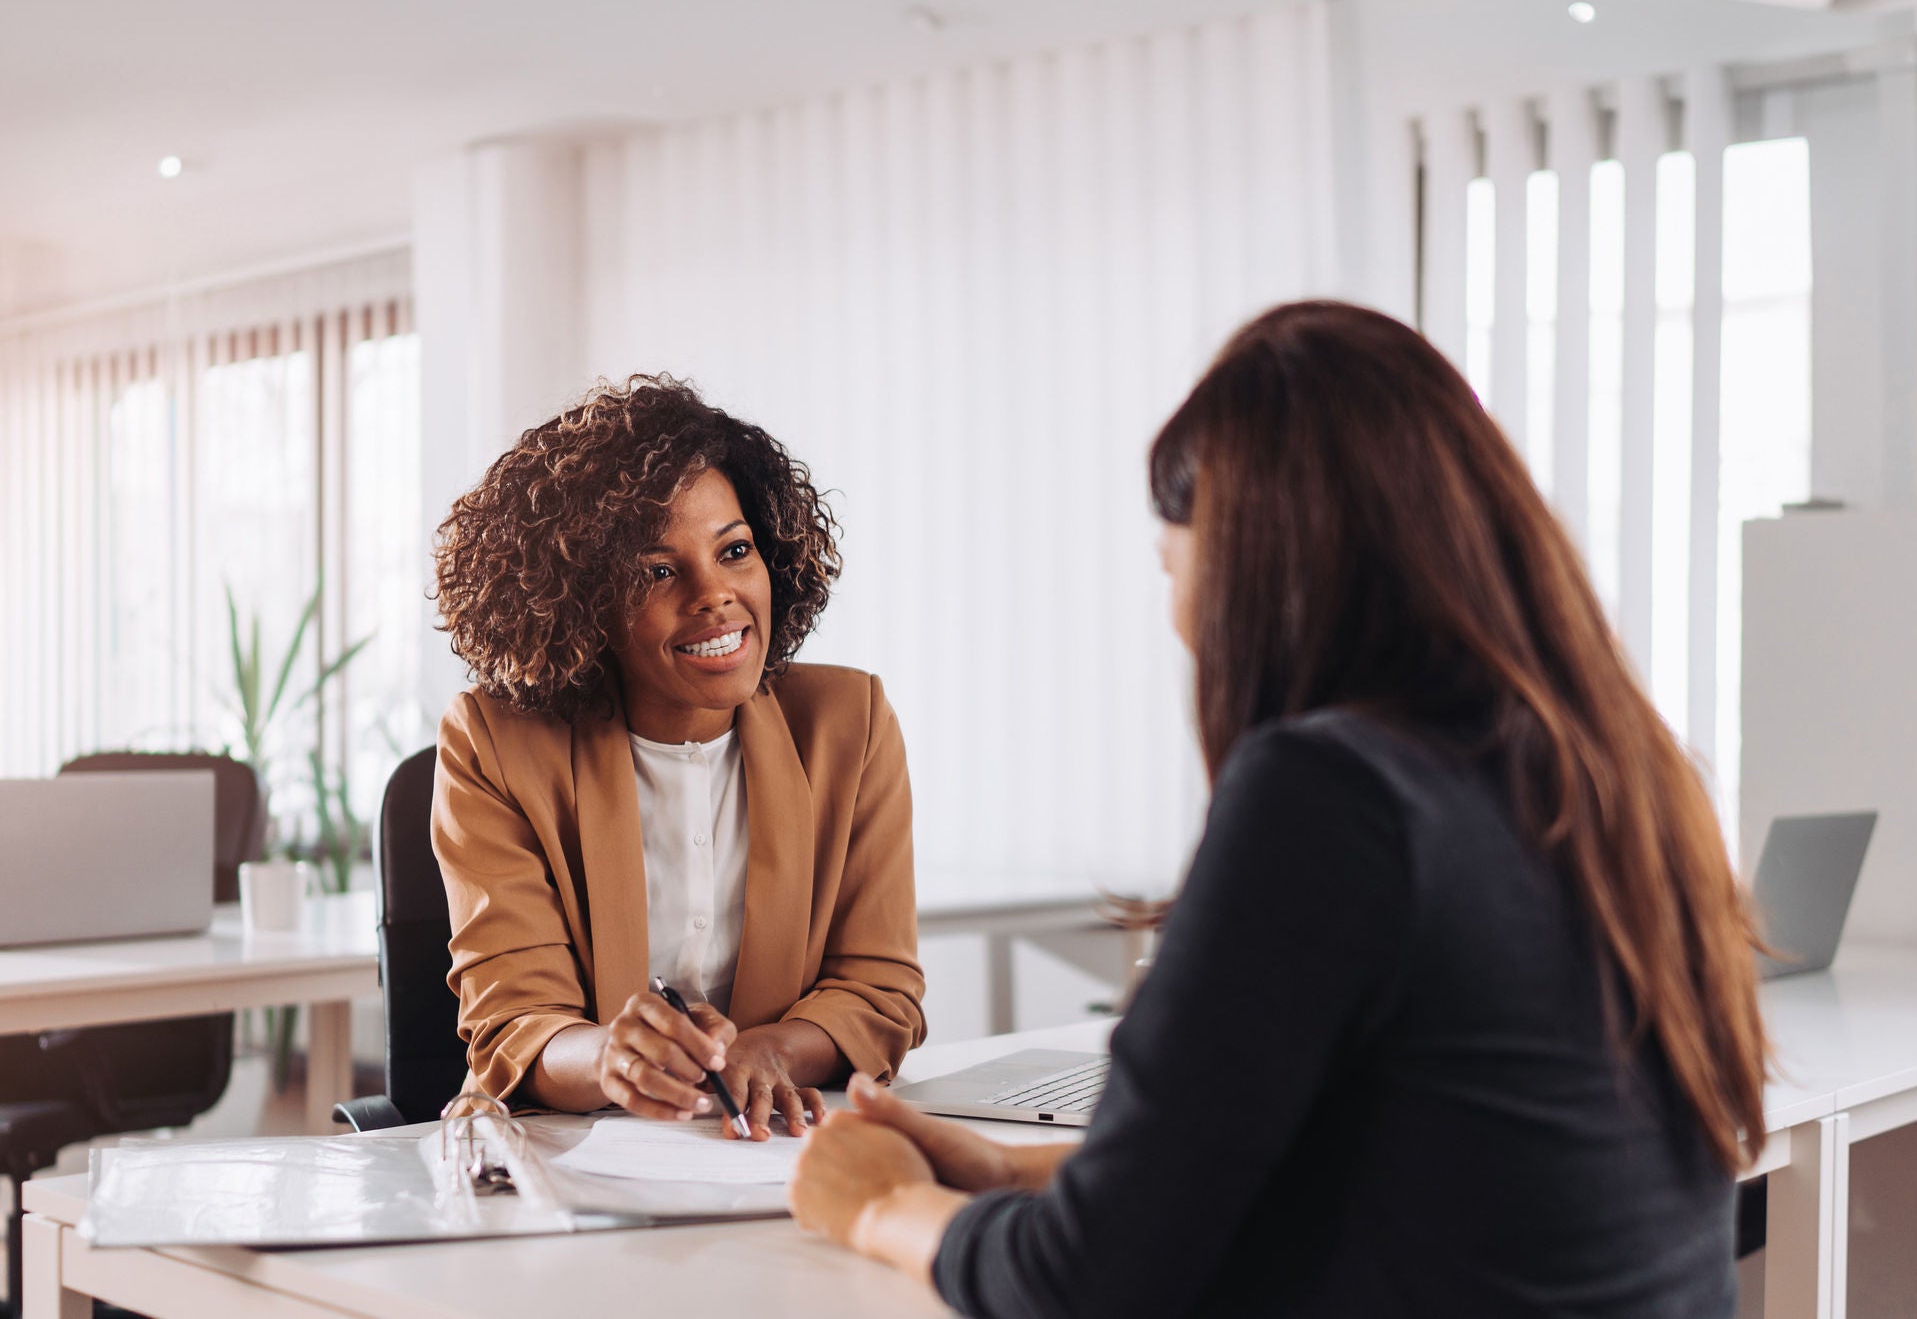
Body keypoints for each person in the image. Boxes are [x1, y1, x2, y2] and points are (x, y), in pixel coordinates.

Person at [790, 302, 1766, 1314]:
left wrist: (881, 1207)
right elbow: (1399, 1166)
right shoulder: (1630, 777)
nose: (1178, 627)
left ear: (1254, 566)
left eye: (1172, 568)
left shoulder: (1332, 796)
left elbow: (1088, 1287)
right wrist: (1005, 1174)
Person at [430, 374, 924, 1140]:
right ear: (584, 600)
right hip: (564, 1162)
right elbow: (516, 1020)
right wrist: (609, 1058)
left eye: (734, 551)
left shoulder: (847, 725)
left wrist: (771, 1051)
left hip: (772, 1152)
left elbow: (879, 989)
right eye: (658, 571)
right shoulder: (494, 743)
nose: (715, 594)